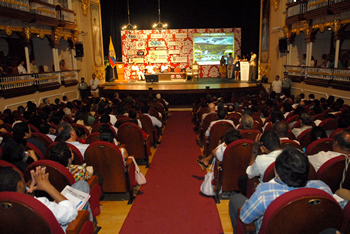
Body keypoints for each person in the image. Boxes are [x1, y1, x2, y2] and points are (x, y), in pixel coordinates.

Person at [229, 146, 333, 234]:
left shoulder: (265, 192)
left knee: (235, 198)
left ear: (276, 172)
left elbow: (244, 218)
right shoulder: (323, 188)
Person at [0, 166, 79, 232]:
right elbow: (71, 213)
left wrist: (28, 191)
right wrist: (48, 187)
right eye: (22, 178)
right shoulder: (39, 205)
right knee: (81, 185)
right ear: (20, 184)